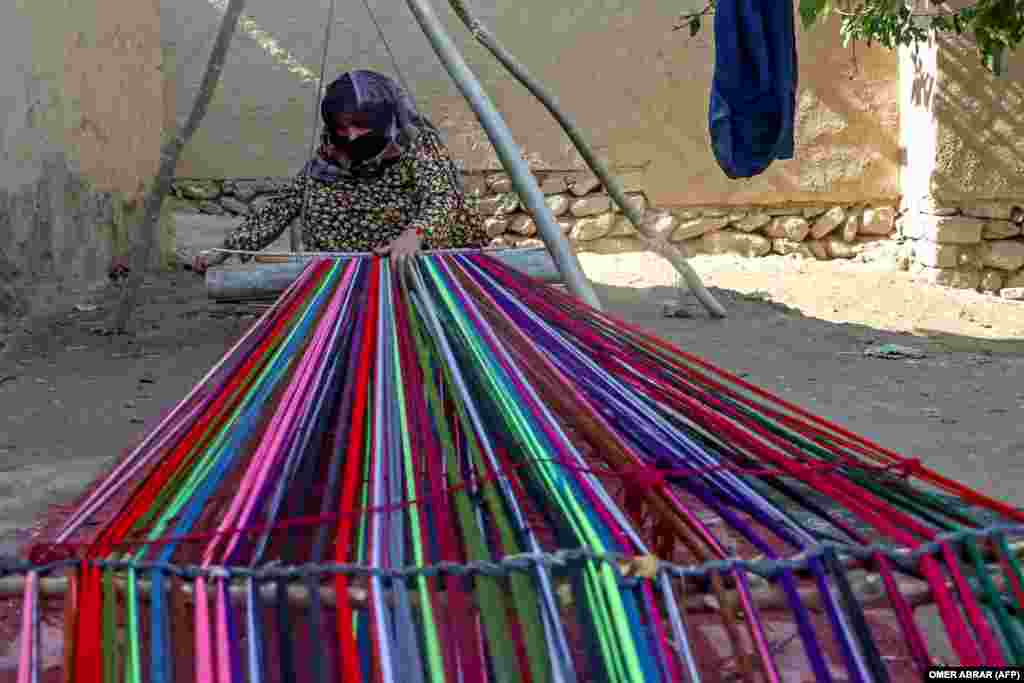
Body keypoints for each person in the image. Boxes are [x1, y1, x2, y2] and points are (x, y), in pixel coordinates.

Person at [194, 69, 487, 272]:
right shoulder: (332, 149)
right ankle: (346, 280)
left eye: (360, 124)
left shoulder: (414, 139)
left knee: (443, 208)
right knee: (316, 194)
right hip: (355, 260)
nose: (351, 136)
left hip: (410, 250)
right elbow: (287, 203)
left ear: (384, 116)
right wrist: (228, 249)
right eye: (341, 126)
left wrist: (415, 234)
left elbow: (442, 194)